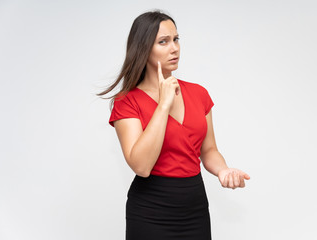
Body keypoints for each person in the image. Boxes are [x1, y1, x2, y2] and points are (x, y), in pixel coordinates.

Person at [97, 10, 250, 240]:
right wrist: (163, 105)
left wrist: (223, 170)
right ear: (144, 48)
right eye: (163, 42)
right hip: (150, 212)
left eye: (176, 39)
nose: (174, 48)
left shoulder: (199, 94)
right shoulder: (127, 102)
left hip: (194, 208)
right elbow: (141, 166)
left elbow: (208, 151)